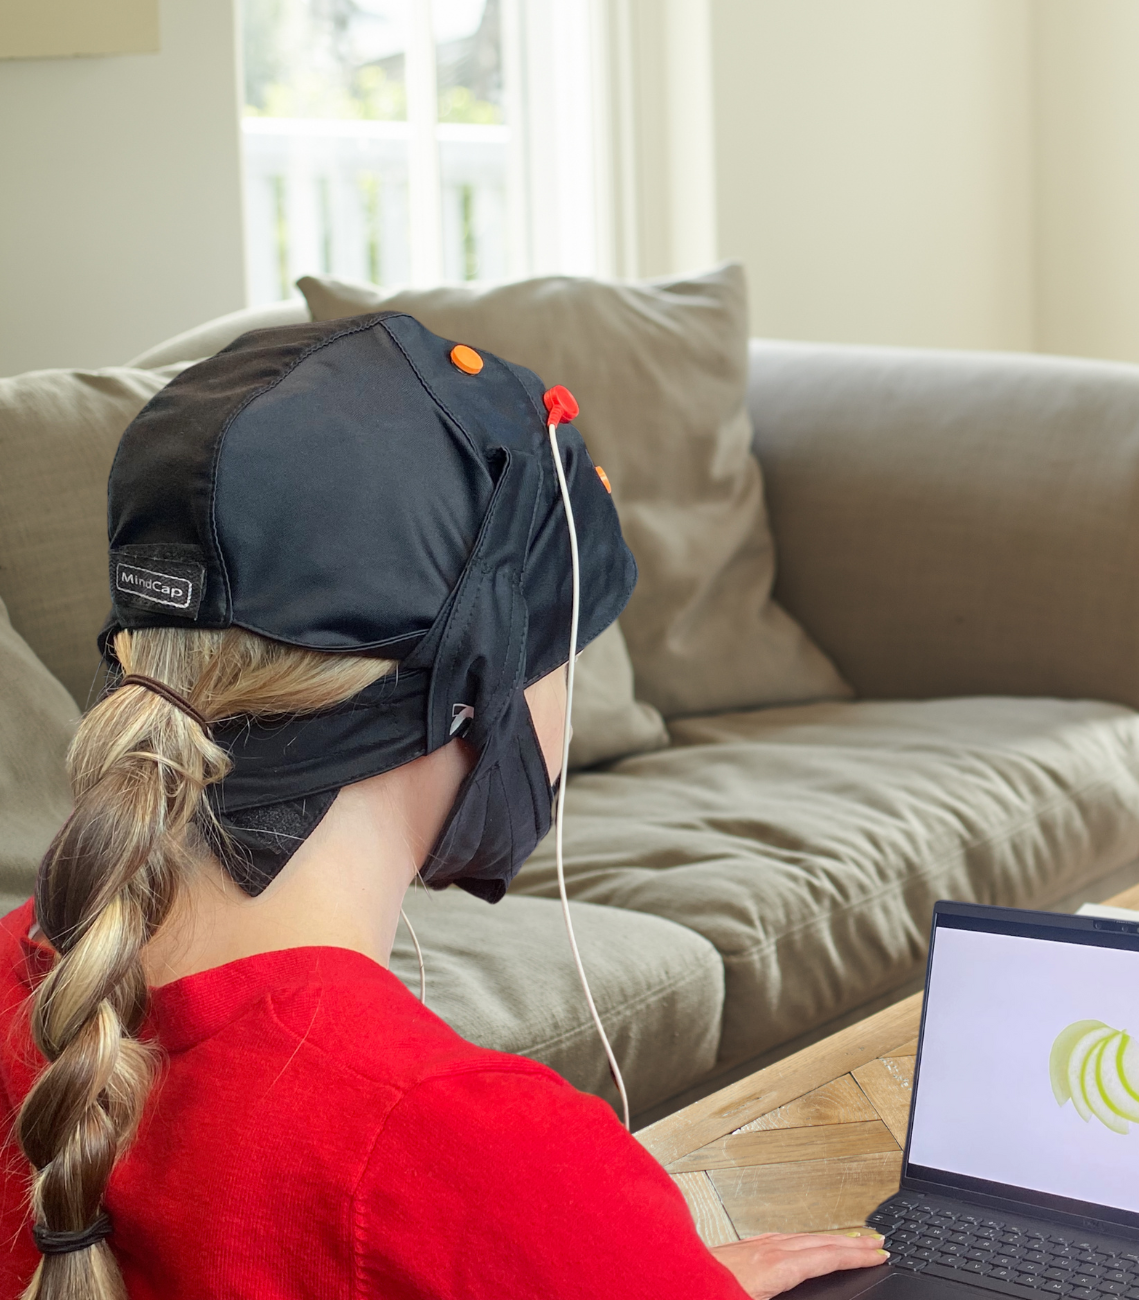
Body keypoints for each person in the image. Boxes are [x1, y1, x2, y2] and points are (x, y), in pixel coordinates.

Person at [0, 315, 887, 1300]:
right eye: (568, 661)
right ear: (481, 679)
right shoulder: (480, 1151)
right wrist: (607, 1255)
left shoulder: (24, 982)